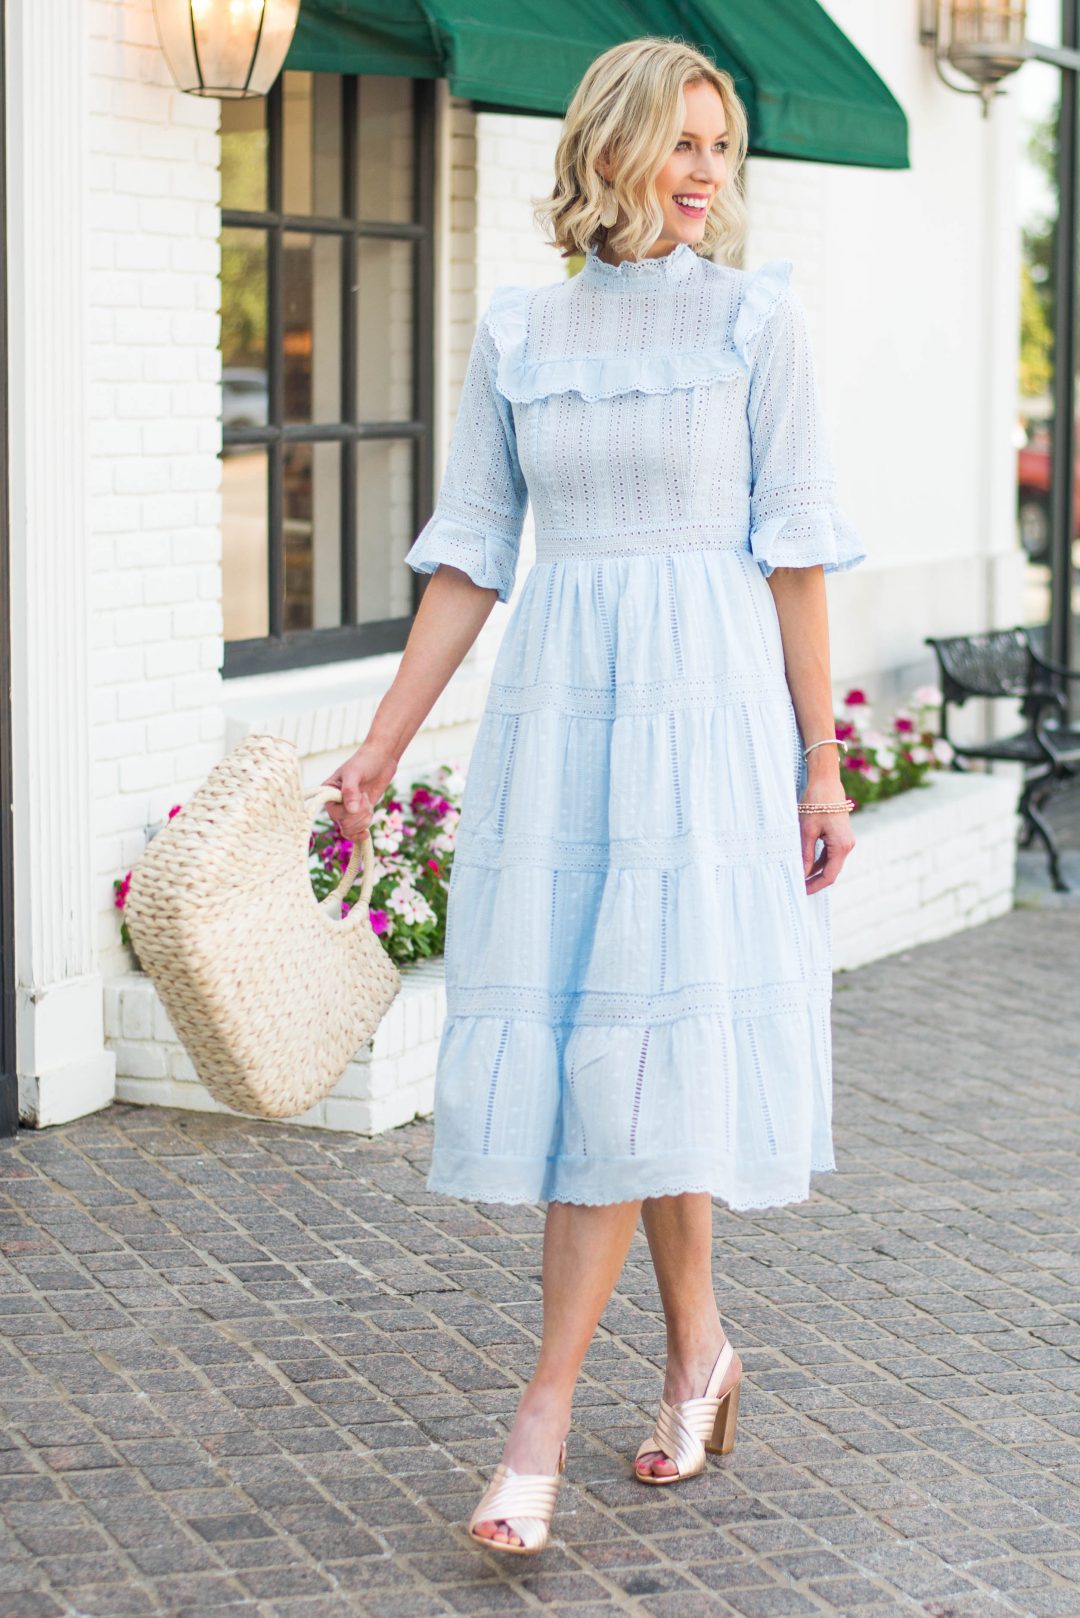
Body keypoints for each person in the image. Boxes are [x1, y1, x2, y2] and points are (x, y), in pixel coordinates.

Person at [322, 35, 865, 1556]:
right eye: (681, 144)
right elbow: (474, 555)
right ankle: (700, 1350)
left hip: (703, 727)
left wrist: (821, 759)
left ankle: (540, 1411)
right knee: (627, 1041)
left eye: (722, 148)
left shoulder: (761, 323)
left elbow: (797, 554)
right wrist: (380, 740)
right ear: (611, 149)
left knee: (627, 1054)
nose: (706, 176)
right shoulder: (517, 333)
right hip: (567, 719)